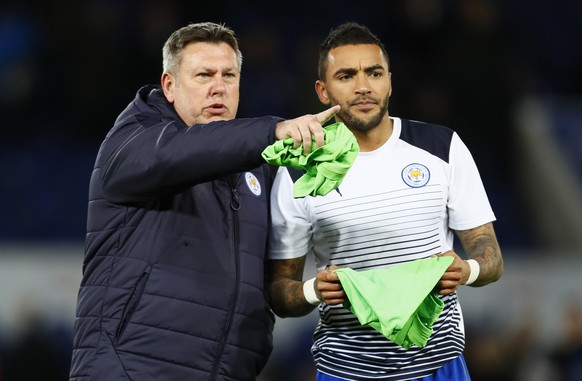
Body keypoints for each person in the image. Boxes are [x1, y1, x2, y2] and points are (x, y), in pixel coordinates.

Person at [68, 21, 339, 381]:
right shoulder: (134, 140)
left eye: (229, 75)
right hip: (133, 369)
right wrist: (272, 129)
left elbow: (272, 283)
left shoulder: (258, 169)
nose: (218, 88)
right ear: (169, 85)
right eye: (203, 75)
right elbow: (186, 153)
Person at [266, 22, 504, 381]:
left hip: (438, 366)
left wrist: (465, 269)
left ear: (389, 81)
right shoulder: (298, 172)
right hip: (346, 370)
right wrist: (314, 290)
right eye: (346, 76)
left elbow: (491, 258)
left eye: (373, 73)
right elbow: (281, 293)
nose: (363, 87)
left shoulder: (442, 147)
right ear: (323, 91)